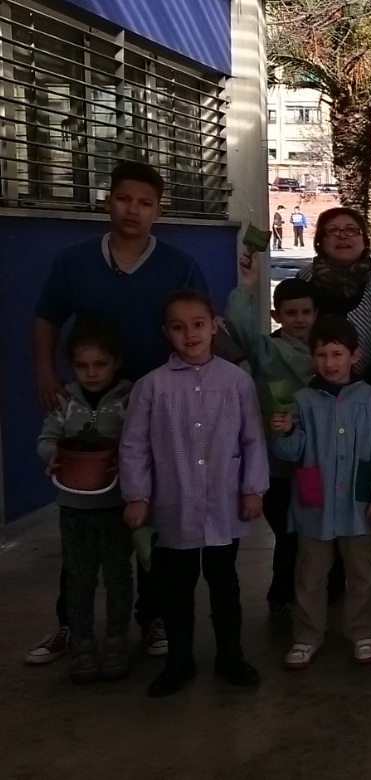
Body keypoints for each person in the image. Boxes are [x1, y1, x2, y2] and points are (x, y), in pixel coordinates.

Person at [30, 161, 208, 664]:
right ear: (108, 201)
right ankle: (71, 624)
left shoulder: (179, 266)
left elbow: (198, 327)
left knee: (151, 515)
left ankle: (152, 618)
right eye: (125, 199)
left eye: (145, 203)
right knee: (84, 525)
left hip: (156, 411)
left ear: (159, 212)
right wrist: (45, 372)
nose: (133, 210)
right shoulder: (73, 262)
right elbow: (46, 317)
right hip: (95, 413)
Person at [119, 288, 269, 698]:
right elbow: (134, 445)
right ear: (166, 332)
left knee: (225, 584)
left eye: (198, 324)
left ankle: (231, 656)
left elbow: (253, 439)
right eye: (179, 327)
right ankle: (179, 662)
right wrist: (137, 495)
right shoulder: (151, 387)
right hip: (174, 502)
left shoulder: (237, 382)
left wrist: (253, 489)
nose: (190, 335)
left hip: (224, 501)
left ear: (214, 325)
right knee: (176, 588)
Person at [271, 315, 371, 669]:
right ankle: (306, 635)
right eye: (322, 354)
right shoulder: (301, 401)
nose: (330, 362)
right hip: (315, 508)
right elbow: (290, 454)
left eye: (337, 354)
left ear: (354, 356)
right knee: (309, 576)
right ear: (312, 357)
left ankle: (362, 632)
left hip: (360, 508)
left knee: (363, 574)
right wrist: (285, 432)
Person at [37, 322, 134, 684]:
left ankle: (116, 643)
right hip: (73, 508)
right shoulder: (64, 401)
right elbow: (47, 439)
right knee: (78, 579)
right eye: (82, 366)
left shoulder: (130, 398)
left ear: (115, 362)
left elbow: (140, 441)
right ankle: (82, 646)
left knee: (118, 577)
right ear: (72, 366)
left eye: (100, 364)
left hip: (117, 506)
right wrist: (53, 455)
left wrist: (124, 459)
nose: (92, 373)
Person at [228, 255, 317, 619]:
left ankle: (315, 595)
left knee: (313, 534)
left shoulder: (327, 354)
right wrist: (248, 284)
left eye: (306, 312)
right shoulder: (267, 351)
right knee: (288, 533)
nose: (300, 319)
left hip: (314, 460)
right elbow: (239, 324)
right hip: (276, 465)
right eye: (291, 313)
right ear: (276, 315)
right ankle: (281, 595)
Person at [295, 207, 371, 391]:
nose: (342, 236)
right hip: (309, 389)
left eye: (352, 230)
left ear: (365, 241)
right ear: (319, 242)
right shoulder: (304, 279)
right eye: (333, 230)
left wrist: (362, 389)